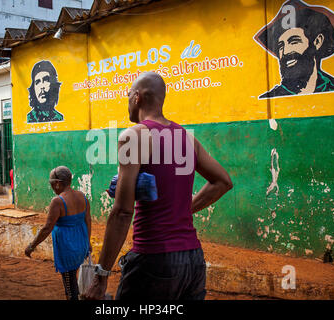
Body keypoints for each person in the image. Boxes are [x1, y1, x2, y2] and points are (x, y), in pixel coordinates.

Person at [82, 72, 233, 300]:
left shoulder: (133, 136)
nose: (128, 101)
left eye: (129, 95)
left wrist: (101, 274)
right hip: (192, 260)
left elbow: (123, 212)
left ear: (137, 98)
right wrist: (182, 210)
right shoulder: (186, 138)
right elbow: (223, 182)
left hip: (154, 261)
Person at [254, 0, 334, 99]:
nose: (285, 51)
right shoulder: (270, 97)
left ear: (317, 42)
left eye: (294, 41)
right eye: (281, 46)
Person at [24, 166, 92, 300]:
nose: (51, 187)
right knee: (72, 280)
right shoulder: (82, 196)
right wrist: (87, 242)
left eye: (51, 183)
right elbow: (88, 220)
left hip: (67, 249)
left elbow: (47, 228)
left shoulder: (58, 202)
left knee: (69, 284)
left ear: (58, 183)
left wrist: (32, 246)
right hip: (81, 245)